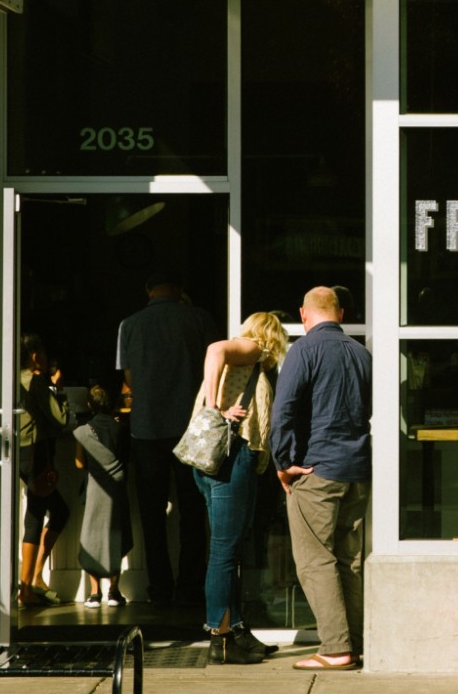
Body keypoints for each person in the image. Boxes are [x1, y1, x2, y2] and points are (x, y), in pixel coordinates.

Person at [271, 286, 372, 671]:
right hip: (357, 467)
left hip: (317, 468)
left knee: (315, 561)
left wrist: (283, 460)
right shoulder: (362, 353)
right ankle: (356, 643)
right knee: (350, 560)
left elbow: (284, 410)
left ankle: (335, 648)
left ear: (303, 314)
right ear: (342, 314)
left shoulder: (303, 350)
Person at [116, 272, 221, 604]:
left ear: (148, 290)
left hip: (146, 429)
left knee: (152, 512)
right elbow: (215, 368)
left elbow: (129, 377)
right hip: (189, 427)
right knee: (192, 511)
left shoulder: (129, 324)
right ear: (181, 289)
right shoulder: (199, 319)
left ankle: (159, 588)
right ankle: (190, 588)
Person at [194, 311, 290, 664]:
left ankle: (236, 629)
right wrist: (214, 409)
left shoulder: (252, 362)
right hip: (230, 459)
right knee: (224, 552)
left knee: (230, 550)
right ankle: (220, 639)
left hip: (224, 460)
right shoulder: (253, 348)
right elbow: (215, 348)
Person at [16, 334, 70, 607]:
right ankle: (26, 587)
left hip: (21, 452)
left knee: (56, 511)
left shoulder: (12, 379)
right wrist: (56, 387)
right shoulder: (36, 382)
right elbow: (61, 418)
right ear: (35, 355)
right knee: (36, 516)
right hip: (36, 452)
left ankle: (34, 578)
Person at [73, 382, 130, 609]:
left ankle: (95, 593)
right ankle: (114, 592)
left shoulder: (83, 431)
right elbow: (127, 459)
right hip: (117, 489)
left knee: (91, 536)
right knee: (117, 536)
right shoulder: (122, 429)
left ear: (90, 405)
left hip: (95, 488)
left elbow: (79, 464)